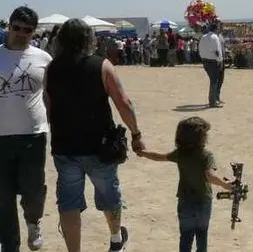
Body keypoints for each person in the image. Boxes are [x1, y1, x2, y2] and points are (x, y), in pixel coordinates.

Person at [44, 18, 145, 252]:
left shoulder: (52, 68)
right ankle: (116, 240)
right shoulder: (102, 65)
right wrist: (136, 133)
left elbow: (48, 105)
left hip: (65, 146)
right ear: (88, 40)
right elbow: (123, 103)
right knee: (109, 196)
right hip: (100, 146)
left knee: (68, 204)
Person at [136, 117, 233, 252]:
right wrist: (225, 184)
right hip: (203, 201)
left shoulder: (180, 153)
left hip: (185, 201)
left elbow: (159, 156)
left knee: (186, 237)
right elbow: (209, 176)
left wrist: (142, 152)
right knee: (202, 234)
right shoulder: (206, 156)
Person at [0, 6, 51, 252]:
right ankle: (10, 246)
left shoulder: (43, 59)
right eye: (16, 28)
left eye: (27, 30)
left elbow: (51, 96)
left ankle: (33, 221)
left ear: (33, 32)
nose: (21, 33)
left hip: (33, 135)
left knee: (33, 189)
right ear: (9, 26)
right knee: (2, 197)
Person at [198, 23, 224, 108]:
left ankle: (214, 99)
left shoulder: (203, 37)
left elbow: (200, 49)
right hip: (213, 61)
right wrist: (220, 60)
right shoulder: (215, 37)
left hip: (205, 61)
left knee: (213, 80)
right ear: (216, 29)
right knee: (214, 81)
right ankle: (213, 101)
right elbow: (218, 51)